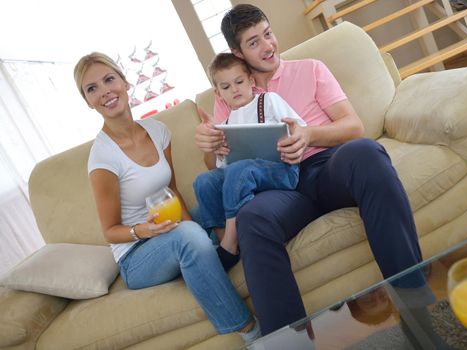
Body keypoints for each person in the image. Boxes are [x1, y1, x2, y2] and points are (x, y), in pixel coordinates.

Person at [194, 4, 424, 336]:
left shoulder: (311, 69)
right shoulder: (233, 90)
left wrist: (308, 134)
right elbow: (219, 165)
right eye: (254, 42)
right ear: (237, 52)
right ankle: (290, 344)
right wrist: (210, 145)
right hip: (277, 188)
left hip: (325, 166)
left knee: (367, 152)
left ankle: (417, 306)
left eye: (268, 34)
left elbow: (353, 126)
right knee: (251, 218)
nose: (268, 45)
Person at [74, 52, 260, 343]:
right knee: (188, 236)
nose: (104, 91)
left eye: (109, 79)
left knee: (221, 209)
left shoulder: (158, 131)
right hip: (136, 255)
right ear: (87, 102)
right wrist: (147, 230)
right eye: (92, 88)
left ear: (124, 82)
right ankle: (250, 332)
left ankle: (222, 260)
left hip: (169, 226)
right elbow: (110, 231)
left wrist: (194, 228)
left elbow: (172, 191)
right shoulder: (102, 159)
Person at [193, 53, 306, 270]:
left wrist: (291, 135)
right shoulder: (225, 124)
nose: (234, 90)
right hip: (244, 176)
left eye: (239, 82)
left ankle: (229, 244)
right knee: (204, 181)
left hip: (282, 171)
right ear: (218, 93)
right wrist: (220, 151)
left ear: (251, 81)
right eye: (226, 87)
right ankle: (224, 236)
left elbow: (300, 128)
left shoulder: (269, 100)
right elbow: (222, 169)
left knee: (240, 169)